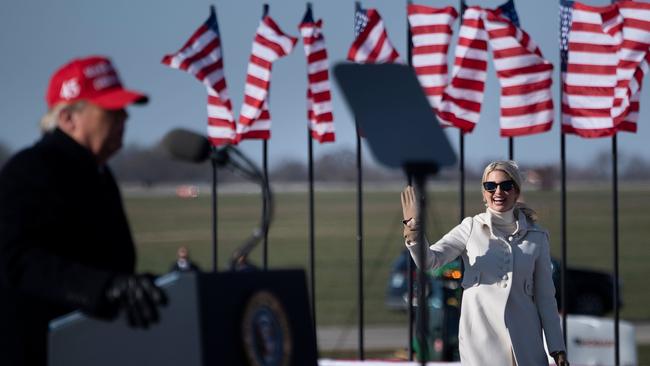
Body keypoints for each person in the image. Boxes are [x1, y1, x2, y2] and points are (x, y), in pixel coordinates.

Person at [0, 56, 167, 366]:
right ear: (67, 118)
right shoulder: (30, 169)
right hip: (38, 350)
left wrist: (145, 287)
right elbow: (16, 261)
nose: (124, 118)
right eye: (110, 110)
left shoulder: (99, 174)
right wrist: (105, 288)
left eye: (122, 110)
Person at [401, 160, 569, 366]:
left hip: (526, 343)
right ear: (484, 193)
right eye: (490, 186)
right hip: (480, 343)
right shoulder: (470, 228)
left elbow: (545, 298)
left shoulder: (538, 236)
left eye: (506, 185)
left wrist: (557, 347)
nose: (498, 191)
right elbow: (430, 261)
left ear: (516, 191)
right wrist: (414, 232)